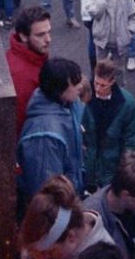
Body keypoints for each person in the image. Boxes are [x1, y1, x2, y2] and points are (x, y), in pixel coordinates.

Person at [18, 58, 85, 201]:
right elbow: (48, 195)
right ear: (59, 90)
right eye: (75, 82)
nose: (81, 86)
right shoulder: (44, 138)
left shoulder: (68, 104)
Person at [82, 60, 135, 192]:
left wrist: (125, 168)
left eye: (103, 85)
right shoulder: (83, 96)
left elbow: (129, 139)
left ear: (112, 82)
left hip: (110, 167)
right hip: (86, 164)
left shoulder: (127, 104)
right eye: (96, 83)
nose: (97, 89)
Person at [6, 6, 51, 132]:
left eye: (49, 32)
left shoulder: (31, 56)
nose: (48, 39)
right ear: (24, 36)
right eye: (40, 35)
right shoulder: (21, 77)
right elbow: (21, 124)